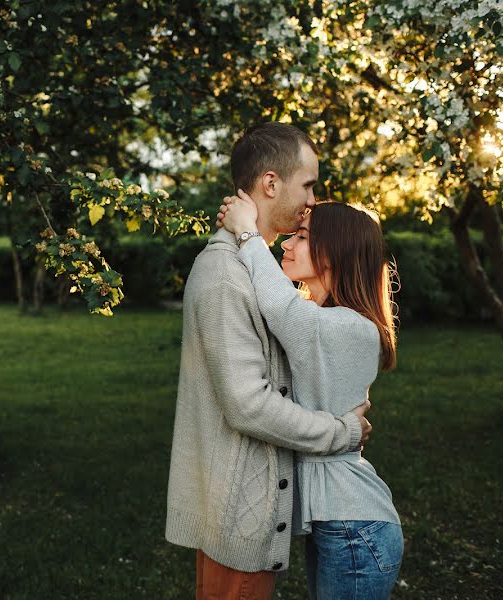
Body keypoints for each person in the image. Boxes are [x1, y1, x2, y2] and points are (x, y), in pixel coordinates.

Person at [165, 123, 372, 600]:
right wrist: (341, 432)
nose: (313, 200)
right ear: (272, 183)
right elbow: (248, 405)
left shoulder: (251, 270)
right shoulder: (224, 274)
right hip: (238, 517)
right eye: (309, 184)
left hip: (250, 512)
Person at [218, 192, 403, 600]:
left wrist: (248, 229)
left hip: (355, 529)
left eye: (300, 236)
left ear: (333, 253)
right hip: (340, 525)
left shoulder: (347, 328)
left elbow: (280, 306)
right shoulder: (324, 322)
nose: (287, 243)